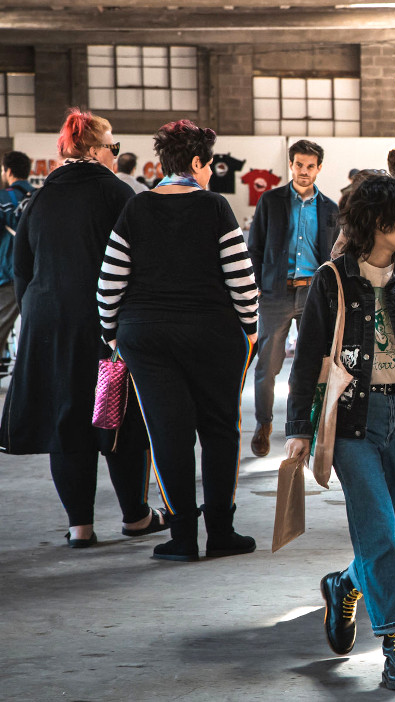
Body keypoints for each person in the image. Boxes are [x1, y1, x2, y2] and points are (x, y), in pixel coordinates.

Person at [286, 175, 395, 691]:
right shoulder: (333, 278)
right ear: (379, 224)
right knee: (380, 533)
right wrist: (299, 428)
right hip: (352, 422)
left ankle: (345, 584)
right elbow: (309, 356)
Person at [0, 109, 164, 548]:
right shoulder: (116, 193)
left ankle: (80, 527)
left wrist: (40, 313)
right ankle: (135, 517)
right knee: (119, 418)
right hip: (104, 326)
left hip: (48, 326)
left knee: (66, 420)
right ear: (94, 150)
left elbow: (22, 270)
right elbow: (141, 263)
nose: (116, 153)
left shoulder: (40, 197)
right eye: (113, 147)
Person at [97, 120, 259, 561]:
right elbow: (241, 280)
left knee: (167, 434)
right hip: (212, 332)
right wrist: (250, 328)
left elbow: (109, 281)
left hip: (145, 335)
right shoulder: (214, 207)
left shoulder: (136, 208)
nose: (210, 174)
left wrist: (112, 334)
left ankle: (183, 537)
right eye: (209, 165)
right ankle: (221, 532)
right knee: (220, 430)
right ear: (195, 163)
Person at [247, 139, 339, 458]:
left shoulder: (329, 208)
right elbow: (254, 245)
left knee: (315, 362)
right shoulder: (271, 201)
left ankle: (307, 426)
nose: (304, 171)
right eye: (298, 165)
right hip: (276, 292)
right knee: (267, 365)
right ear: (291, 165)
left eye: (310, 166)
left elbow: (334, 254)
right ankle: (264, 424)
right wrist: (259, 283)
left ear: (319, 169)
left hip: (314, 292)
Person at [1, 150, 34, 369]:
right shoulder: (40, 196)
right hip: (37, 274)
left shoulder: (3, 198)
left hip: (9, 273)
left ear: (8, 171)